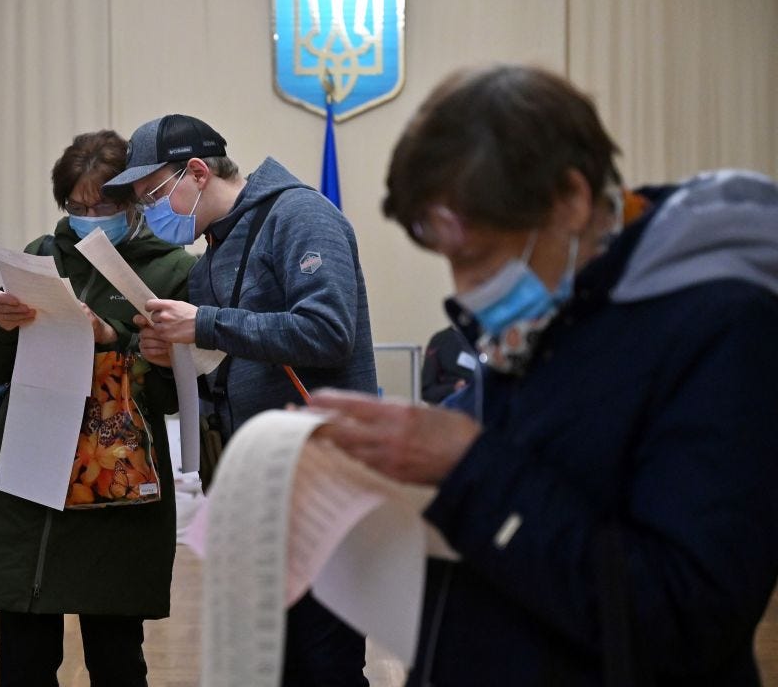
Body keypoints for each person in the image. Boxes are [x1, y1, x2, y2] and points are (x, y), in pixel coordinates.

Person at [309, 65, 778, 686]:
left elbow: (681, 616)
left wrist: (465, 468)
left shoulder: (725, 328)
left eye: (477, 255)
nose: (464, 288)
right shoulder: (558, 305)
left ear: (571, 200)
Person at [101, 114, 377, 687]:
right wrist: (169, 357)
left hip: (324, 478)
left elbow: (328, 333)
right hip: (256, 486)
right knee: (273, 663)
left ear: (196, 172)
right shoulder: (212, 260)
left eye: (151, 195)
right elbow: (223, 373)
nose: (149, 213)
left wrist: (205, 324)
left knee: (325, 661)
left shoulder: (300, 215)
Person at [0, 130, 197, 687]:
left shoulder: (170, 270)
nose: (90, 217)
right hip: (29, 471)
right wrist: (0, 323)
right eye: (78, 206)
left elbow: (172, 395)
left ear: (135, 200)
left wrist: (111, 338)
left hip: (112, 479)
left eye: (105, 205)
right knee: (23, 656)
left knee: (115, 658)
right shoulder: (42, 256)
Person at [420, 325, 475, 405]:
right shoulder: (440, 340)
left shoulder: (489, 337)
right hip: (453, 410)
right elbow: (427, 392)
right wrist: (454, 388)